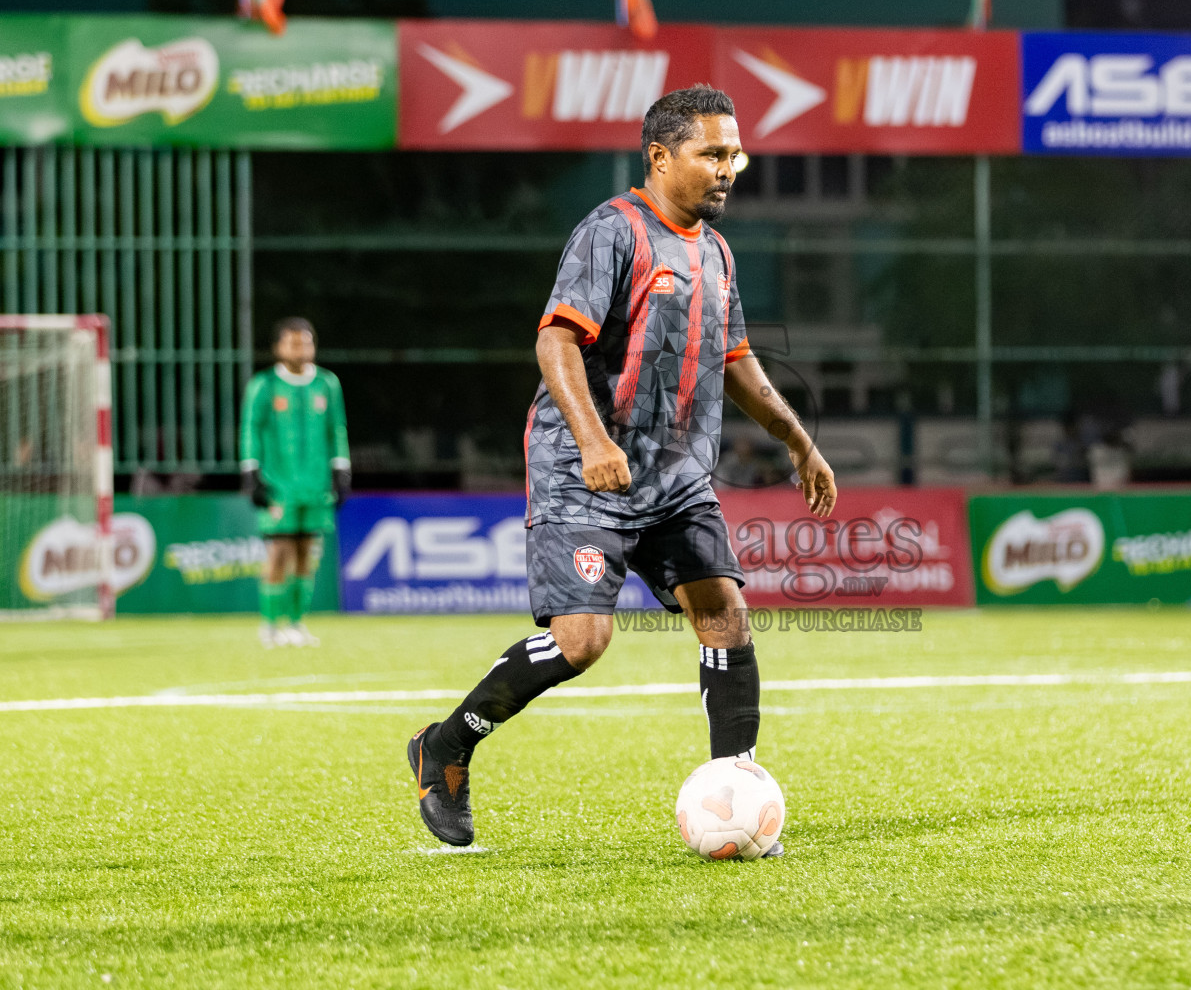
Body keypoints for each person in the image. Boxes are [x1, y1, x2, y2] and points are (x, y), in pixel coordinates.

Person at [405, 84, 837, 850]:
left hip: (674, 475)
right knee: (583, 642)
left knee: (725, 614)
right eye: (711, 153)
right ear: (661, 157)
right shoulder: (613, 231)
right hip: (583, 471)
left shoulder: (717, 251)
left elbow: (735, 359)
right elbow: (556, 342)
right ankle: (446, 745)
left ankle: (733, 787)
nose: (727, 168)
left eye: (732, 153)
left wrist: (797, 438)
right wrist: (596, 441)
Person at [239, 318, 351, 648]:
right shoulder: (265, 385)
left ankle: (296, 623)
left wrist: (341, 470)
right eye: (292, 343)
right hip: (279, 485)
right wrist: (250, 472)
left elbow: (337, 429)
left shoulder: (327, 384)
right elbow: (250, 429)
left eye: (305, 342)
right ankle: (270, 625)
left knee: (306, 554)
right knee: (278, 551)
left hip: (315, 486)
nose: (299, 349)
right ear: (278, 347)